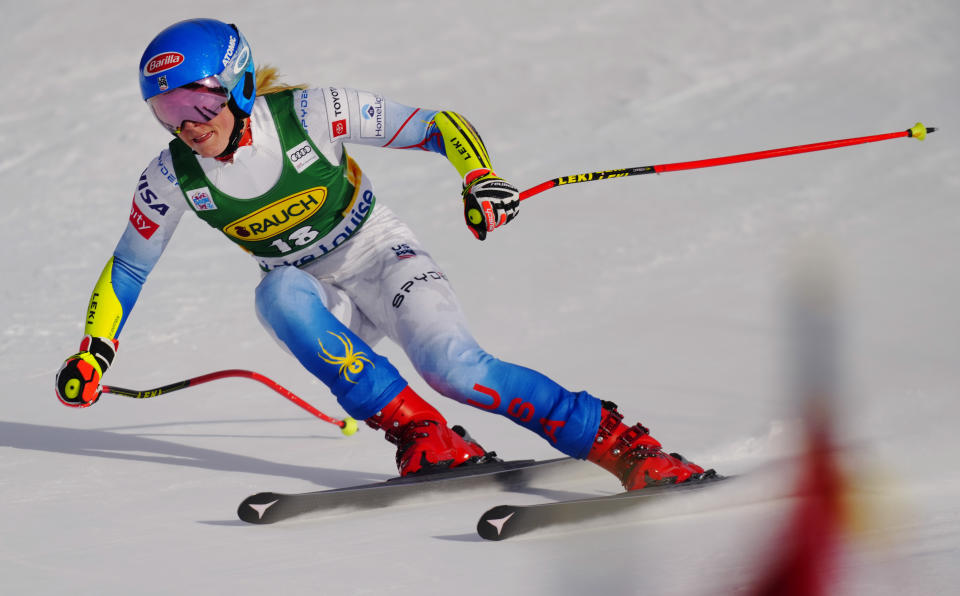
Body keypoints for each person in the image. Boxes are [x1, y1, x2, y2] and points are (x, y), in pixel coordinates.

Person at [55, 18, 714, 490]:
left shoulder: (311, 113)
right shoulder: (171, 177)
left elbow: (436, 124)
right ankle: (425, 434)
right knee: (276, 291)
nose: (189, 122)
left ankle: (617, 442)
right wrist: (96, 349)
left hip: (382, 255)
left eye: (199, 98)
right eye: (168, 108)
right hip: (319, 294)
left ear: (242, 85)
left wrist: (477, 177)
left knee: (457, 370)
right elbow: (130, 266)